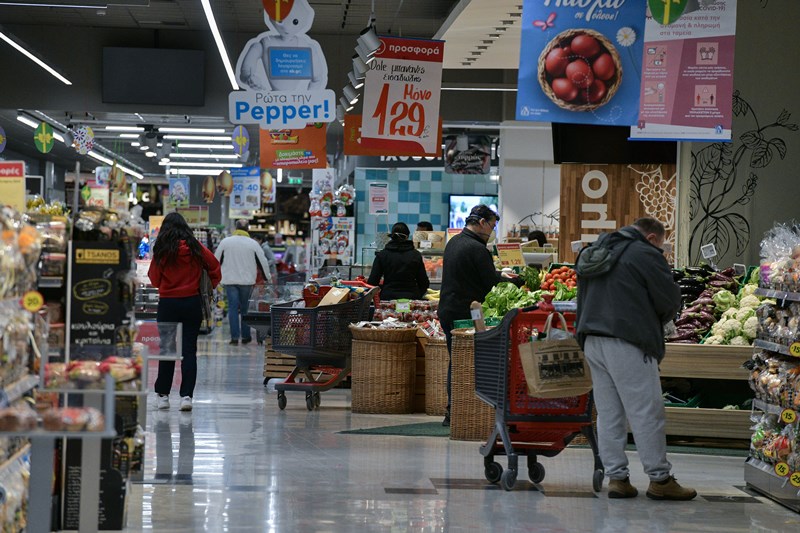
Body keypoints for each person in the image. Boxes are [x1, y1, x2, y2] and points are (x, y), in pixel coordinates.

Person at [575, 217, 696, 501]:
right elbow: (668, 298)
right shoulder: (644, 253)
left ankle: (617, 478)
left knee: (608, 412)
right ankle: (660, 479)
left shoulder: (596, 248)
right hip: (627, 339)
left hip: (592, 339)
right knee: (646, 411)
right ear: (652, 238)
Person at [437, 205, 523, 426]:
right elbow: (490, 283)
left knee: (456, 361)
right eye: (493, 225)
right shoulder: (477, 248)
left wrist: (499, 273)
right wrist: (515, 282)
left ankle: (453, 410)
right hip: (464, 313)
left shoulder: (455, 242)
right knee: (464, 363)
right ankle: (460, 411)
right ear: (482, 222)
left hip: (448, 309)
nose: (493, 230)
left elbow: (477, 272)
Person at [148, 212, 221, 412]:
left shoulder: (162, 250)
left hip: (168, 304)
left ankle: (163, 396)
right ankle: (186, 396)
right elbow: (215, 266)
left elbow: (154, 279)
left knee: (167, 349)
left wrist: (167, 283)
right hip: (192, 303)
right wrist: (209, 286)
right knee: (189, 350)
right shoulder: (196, 247)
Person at [215, 220, 272, 346]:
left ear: (236, 227)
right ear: (248, 229)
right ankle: (246, 337)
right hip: (247, 281)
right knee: (246, 309)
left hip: (229, 280)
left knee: (233, 308)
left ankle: (234, 338)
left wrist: (214, 278)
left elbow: (215, 260)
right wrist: (268, 278)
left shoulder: (225, 242)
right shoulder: (253, 244)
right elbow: (263, 262)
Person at [367, 222, 429, 301]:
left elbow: (372, 282)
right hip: (411, 299)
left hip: (388, 299)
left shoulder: (382, 255)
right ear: (407, 237)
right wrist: (417, 294)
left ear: (392, 236)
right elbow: (424, 282)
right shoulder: (415, 255)